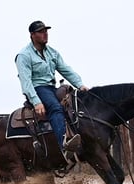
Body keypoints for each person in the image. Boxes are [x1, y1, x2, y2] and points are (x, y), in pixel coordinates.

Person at [15, 20, 89, 159]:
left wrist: (80, 85)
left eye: (46, 31)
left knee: (74, 103)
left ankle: (82, 141)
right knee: (55, 107)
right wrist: (36, 102)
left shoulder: (52, 53)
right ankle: (64, 145)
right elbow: (26, 82)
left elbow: (65, 70)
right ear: (32, 35)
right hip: (38, 88)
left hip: (51, 87)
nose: (45, 34)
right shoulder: (24, 56)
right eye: (41, 32)